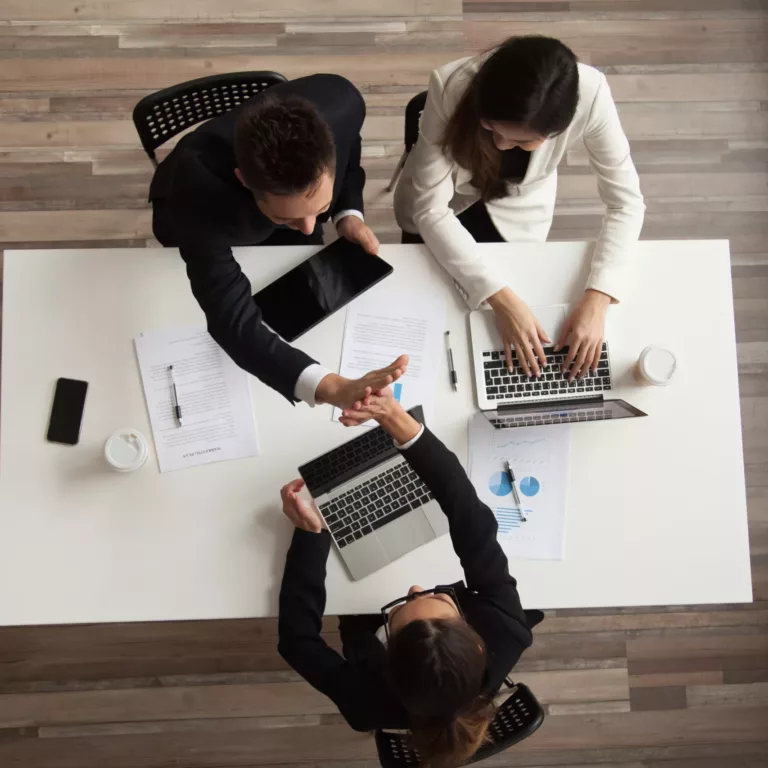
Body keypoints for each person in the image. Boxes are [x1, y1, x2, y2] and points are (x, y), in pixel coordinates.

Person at [278, 388, 543, 767]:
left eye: (401, 611)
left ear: (387, 659)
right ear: (479, 644)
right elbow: (470, 516)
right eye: (436, 600)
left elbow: (296, 641)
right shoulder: (507, 632)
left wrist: (311, 536)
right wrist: (405, 428)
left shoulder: (365, 704)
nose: (416, 588)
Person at [395, 36, 645, 381]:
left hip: (520, 203)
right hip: (444, 193)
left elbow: (627, 201)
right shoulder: (450, 84)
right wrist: (502, 300)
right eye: (490, 128)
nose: (500, 144)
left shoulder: (593, 94)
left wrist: (599, 297)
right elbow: (429, 210)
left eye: (522, 141)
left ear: (562, 126)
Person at [150, 73, 399, 409]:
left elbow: (350, 148)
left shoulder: (344, 101)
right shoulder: (195, 194)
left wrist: (346, 214)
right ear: (244, 180)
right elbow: (231, 320)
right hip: (199, 211)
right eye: (288, 218)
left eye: (318, 208)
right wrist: (330, 386)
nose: (310, 230)